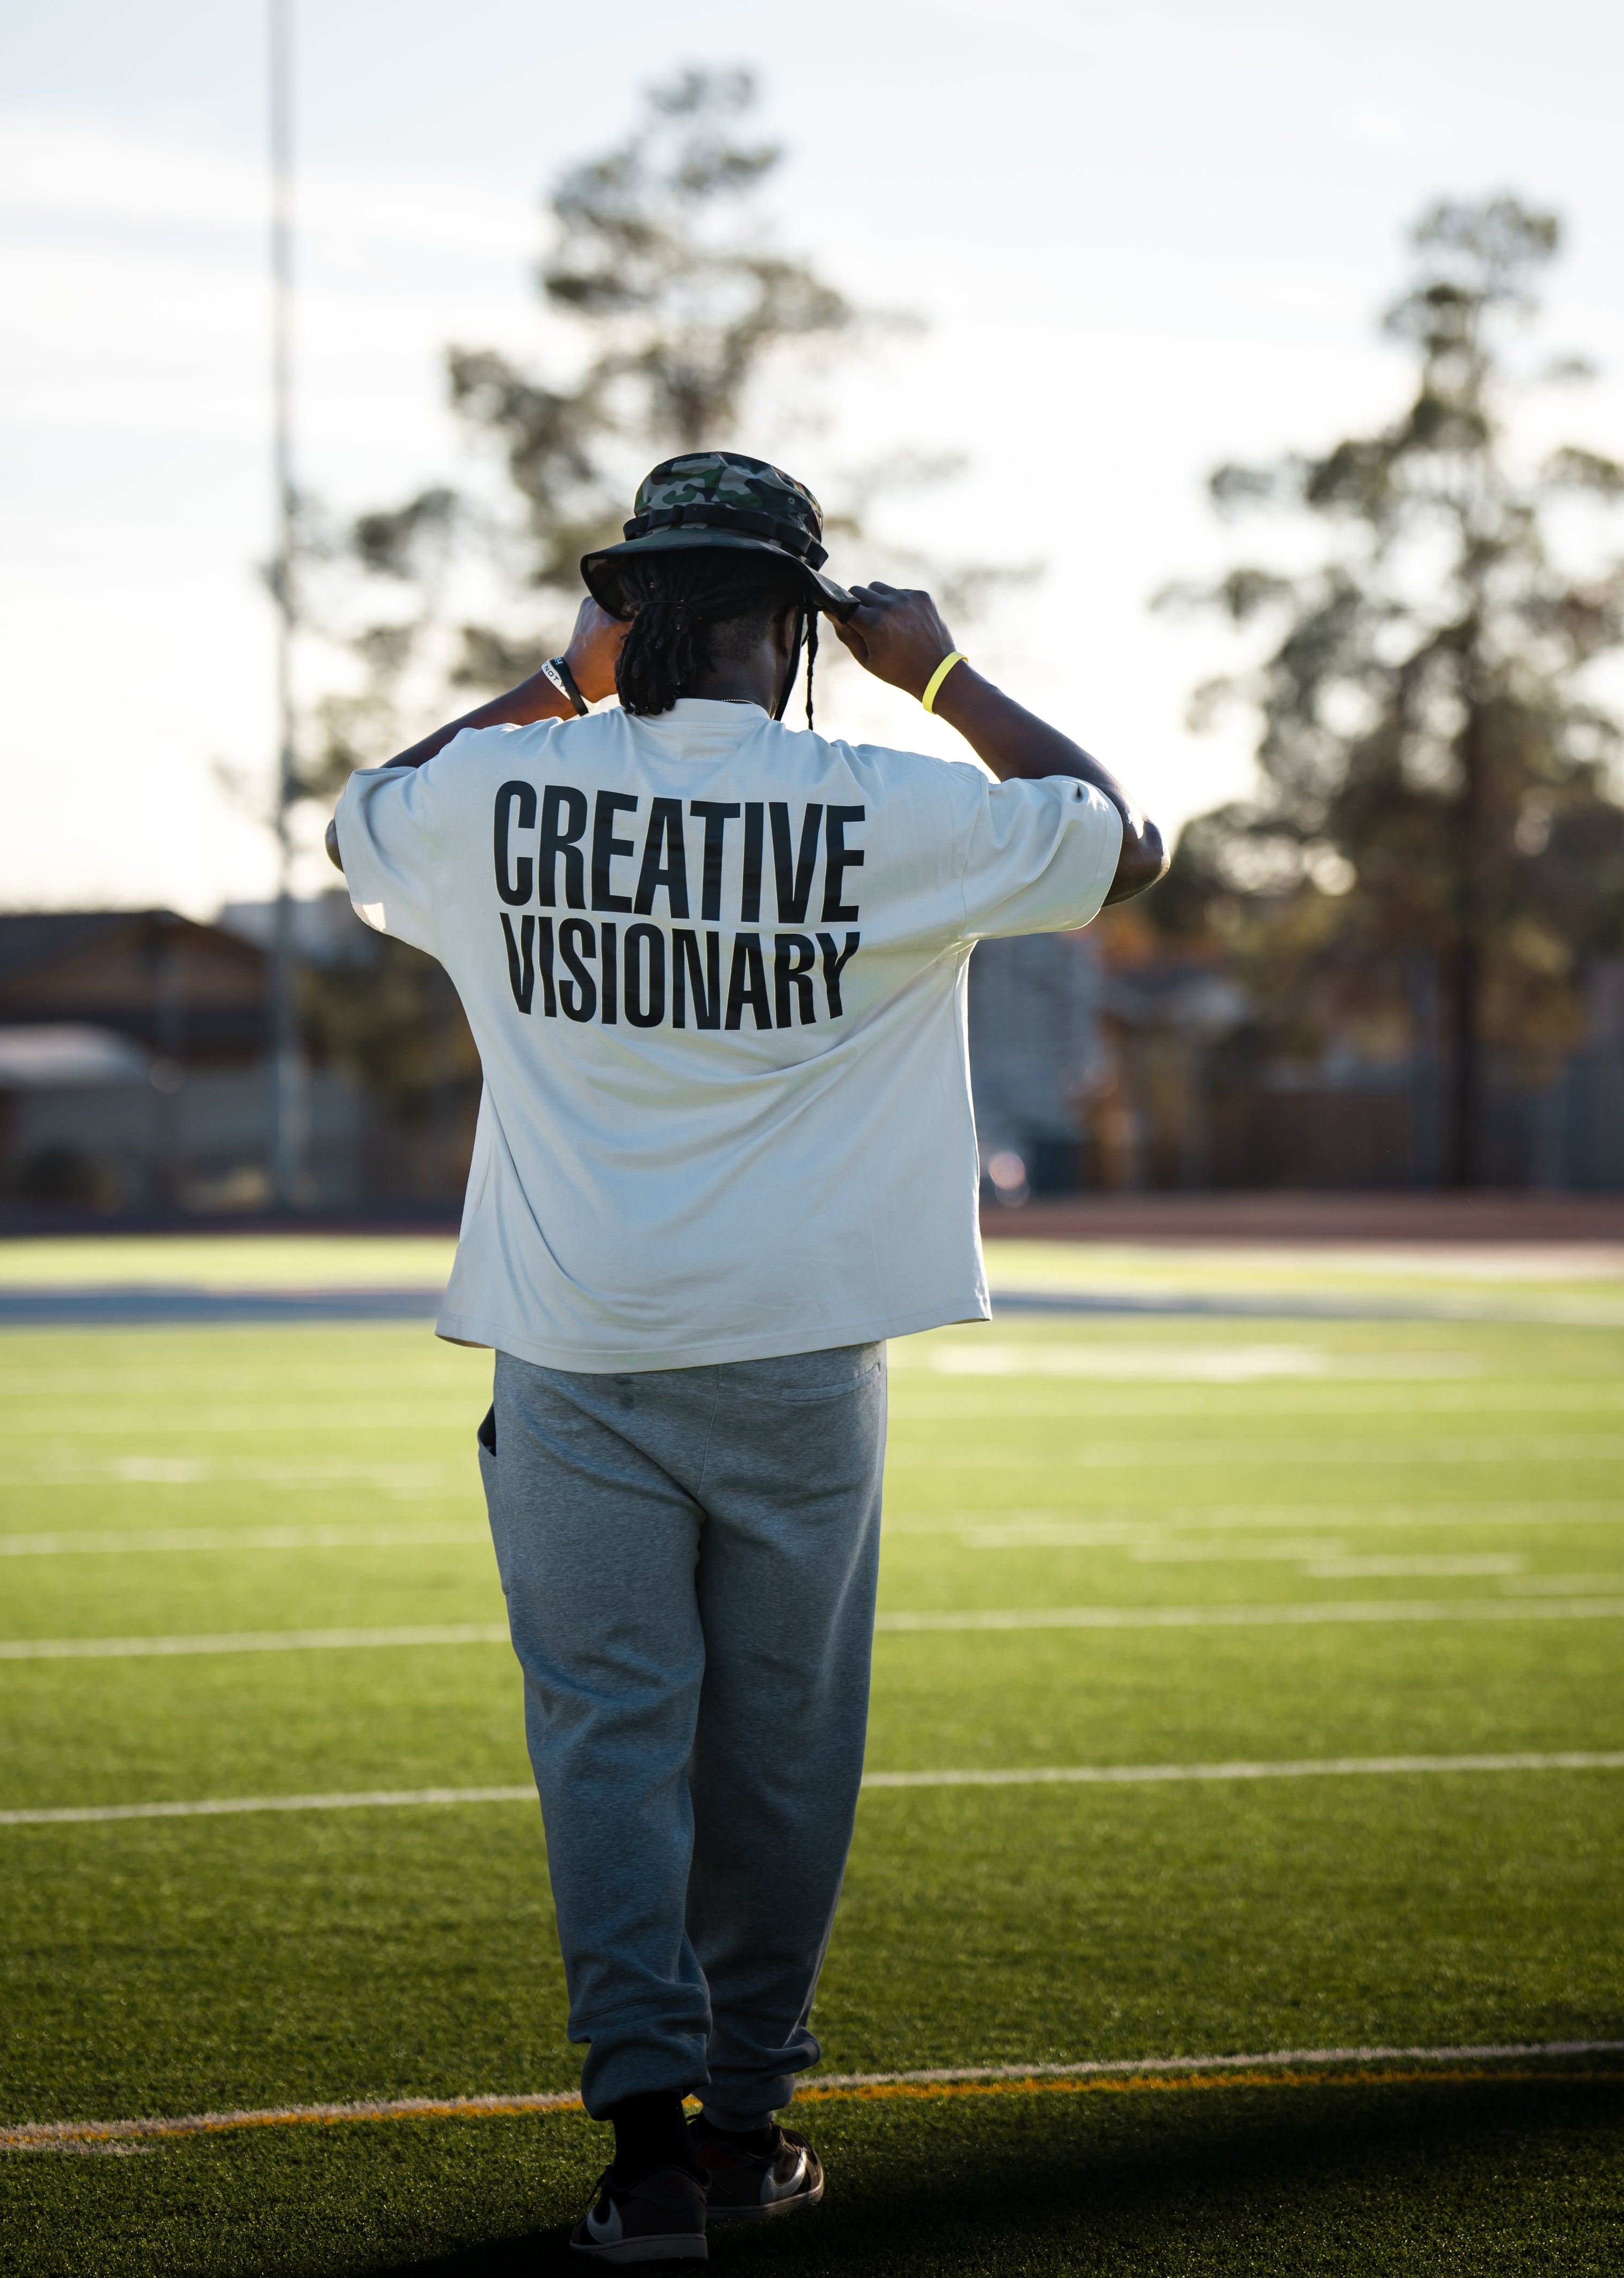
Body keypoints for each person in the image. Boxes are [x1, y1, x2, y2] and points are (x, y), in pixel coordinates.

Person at [328, 452, 1163, 2263]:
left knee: (607, 1745)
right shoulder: (889, 799)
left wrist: (557, 680)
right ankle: (745, 2127)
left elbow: (360, 819)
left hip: (571, 1352)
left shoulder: (503, 792)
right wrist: (939, 673)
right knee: (780, 1755)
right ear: (798, 630)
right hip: (798, 1357)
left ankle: (641, 2155)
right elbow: (1127, 840)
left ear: (631, 612)